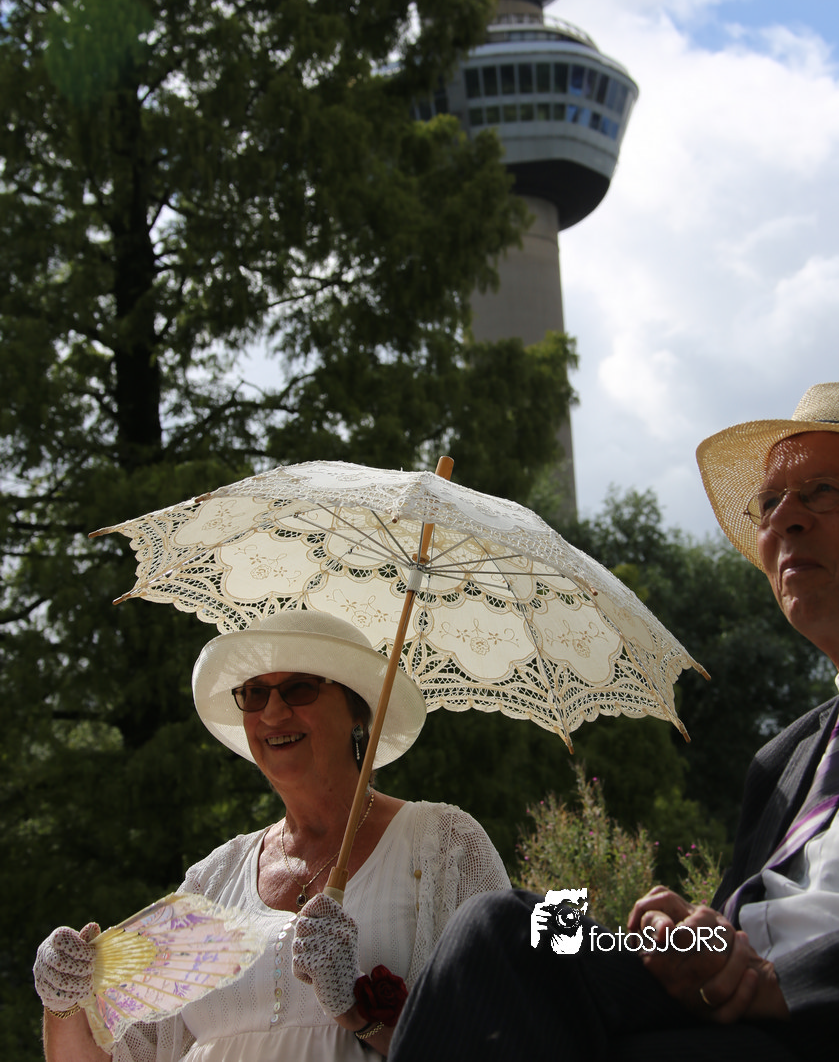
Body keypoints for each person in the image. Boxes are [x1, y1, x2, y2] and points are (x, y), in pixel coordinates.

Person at [388, 382, 839, 1062]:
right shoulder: (784, 758)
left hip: (797, 1015)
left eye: (821, 490)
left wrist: (783, 988)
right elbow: (732, 932)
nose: (785, 519)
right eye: (769, 502)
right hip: (725, 997)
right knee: (513, 923)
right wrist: (686, 936)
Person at [33, 610, 510, 1060]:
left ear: (360, 713)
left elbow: (500, 1036)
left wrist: (358, 1013)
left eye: (300, 688)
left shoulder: (444, 843)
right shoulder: (211, 881)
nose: (273, 712)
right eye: (255, 693)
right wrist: (64, 1002)